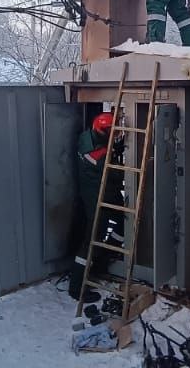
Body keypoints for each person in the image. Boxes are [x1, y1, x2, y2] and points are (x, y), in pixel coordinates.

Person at [67, 111, 127, 304]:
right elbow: (117, 174)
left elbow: (105, 149)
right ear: (103, 132)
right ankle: (77, 287)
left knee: (121, 225)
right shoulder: (96, 153)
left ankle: (102, 260)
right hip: (97, 198)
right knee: (93, 238)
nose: (115, 135)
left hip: (103, 194)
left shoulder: (87, 137)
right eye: (112, 132)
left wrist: (115, 146)